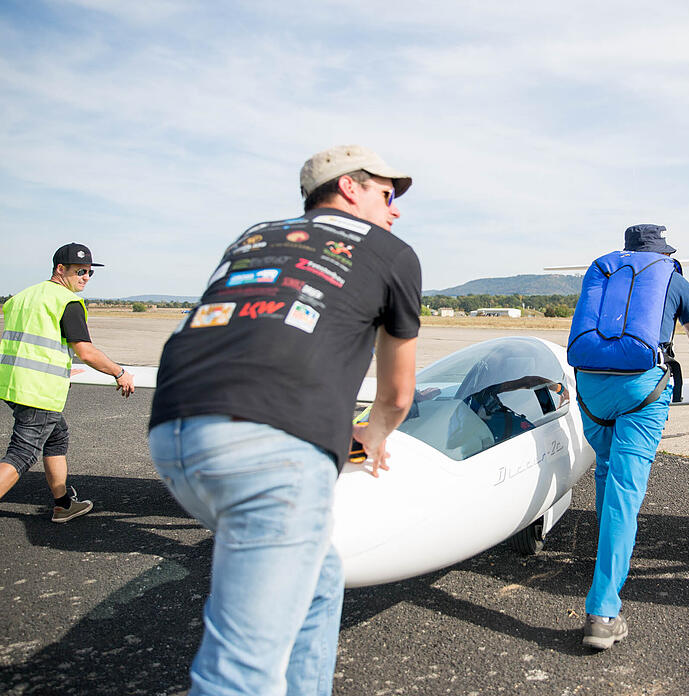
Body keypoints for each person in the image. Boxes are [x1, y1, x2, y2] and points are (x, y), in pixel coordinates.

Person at [147, 144, 421, 695]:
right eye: (387, 195)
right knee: (239, 673)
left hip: (174, 433)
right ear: (350, 187)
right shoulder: (391, 253)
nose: (396, 211)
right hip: (271, 450)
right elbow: (396, 393)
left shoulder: (254, 235)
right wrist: (373, 435)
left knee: (319, 581)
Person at [567, 224, 689, 650]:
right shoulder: (675, 281)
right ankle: (603, 611)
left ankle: (605, 559)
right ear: (663, 251)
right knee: (626, 490)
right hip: (641, 388)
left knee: (605, 471)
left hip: (590, 386)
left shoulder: (606, 274)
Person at [0, 243, 135, 522]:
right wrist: (119, 373)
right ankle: (62, 504)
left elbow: (31, 342)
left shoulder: (22, 297)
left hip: (11, 384)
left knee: (56, 435)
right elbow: (85, 352)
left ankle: (63, 504)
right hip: (38, 390)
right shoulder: (67, 301)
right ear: (60, 269)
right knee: (22, 455)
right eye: (79, 271)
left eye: (89, 272)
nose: (85, 277)